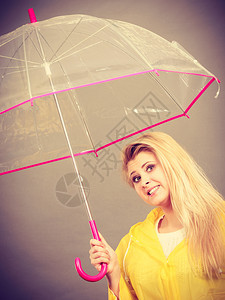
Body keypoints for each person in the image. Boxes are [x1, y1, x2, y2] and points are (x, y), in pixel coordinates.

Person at [89, 132, 225, 299]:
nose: (144, 181)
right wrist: (114, 273)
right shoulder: (131, 243)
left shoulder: (220, 222)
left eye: (150, 167)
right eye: (136, 178)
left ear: (172, 163)